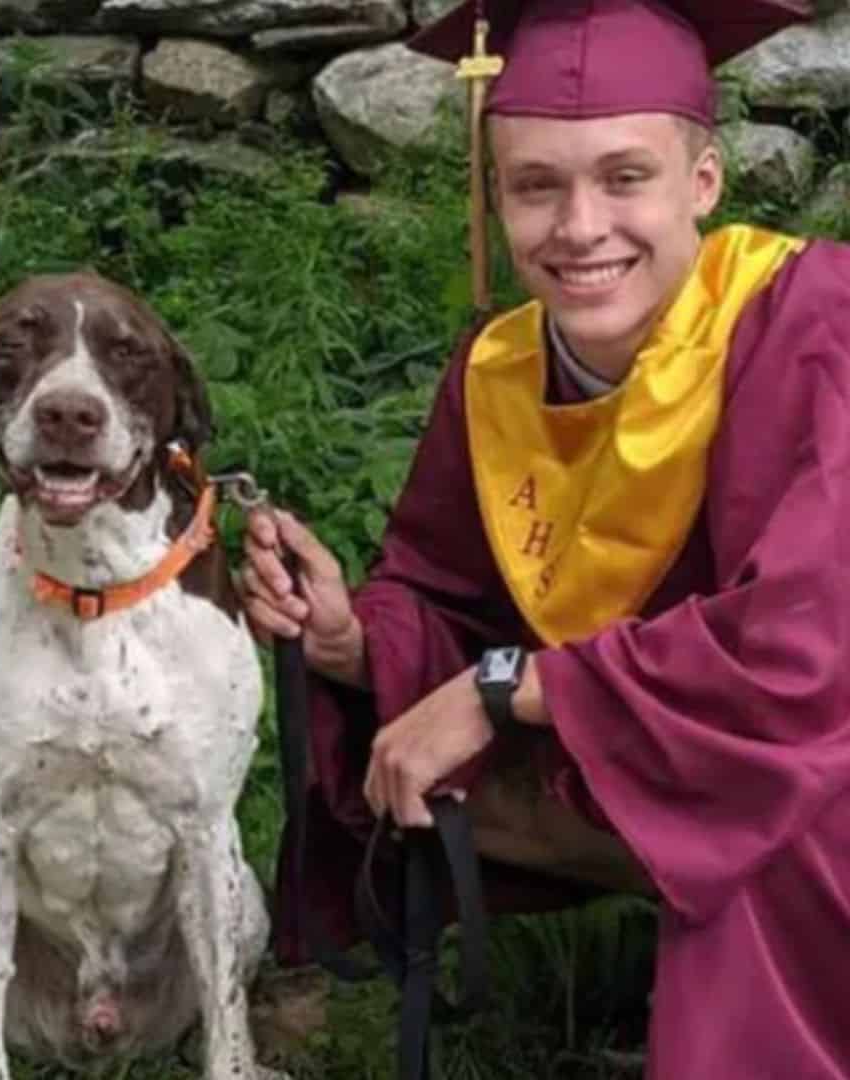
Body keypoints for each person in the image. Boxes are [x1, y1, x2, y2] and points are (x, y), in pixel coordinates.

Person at [239, 0, 850, 1075]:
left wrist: (504, 689)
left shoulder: (811, 323)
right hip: (650, 747)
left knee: (783, 793)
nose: (578, 228)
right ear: (494, 199)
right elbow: (444, 595)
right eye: (536, 185)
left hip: (807, 751)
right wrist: (348, 639)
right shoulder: (499, 372)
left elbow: (804, 649)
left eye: (625, 177)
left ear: (703, 183)